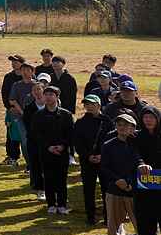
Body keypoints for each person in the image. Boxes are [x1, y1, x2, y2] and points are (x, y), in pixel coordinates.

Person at [100, 113, 140, 235]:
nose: (122, 127)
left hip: (135, 189)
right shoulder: (108, 145)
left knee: (140, 223)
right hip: (114, 189)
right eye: (119, 124)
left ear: (133, 127)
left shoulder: (138, 145)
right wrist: (118, 180)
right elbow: (104, 167)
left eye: (126, 124)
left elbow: (140, 165)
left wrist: (129, 182)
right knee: (113, 223)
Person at [29, 85, 73, 214]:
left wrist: (63, 146)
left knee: (61, 179)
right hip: (46, 152)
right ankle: (51, 204)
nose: (48, 97)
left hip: (62, 152)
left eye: (51, 95)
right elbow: (35, 134)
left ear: (57, 97)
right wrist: (48, 146)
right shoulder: (38, 115)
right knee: (48, 178)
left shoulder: (66, 114)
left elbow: (70, 133)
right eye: (46, 94)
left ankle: (62, 204)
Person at [71, 94, 112, 227]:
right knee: (88, 189)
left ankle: (108, 217)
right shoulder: (80, 123)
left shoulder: (108, 121)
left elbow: (111, 142)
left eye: (92, 104)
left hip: (105, 161)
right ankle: (90, 217)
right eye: (86, 104)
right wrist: (88, 156)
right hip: (86, 161)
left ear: (99, 105)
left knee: (107, 190)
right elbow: (77, 143)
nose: (89, 106)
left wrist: (102, 156)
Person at [132, 108, 161, 235]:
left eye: (152, 117)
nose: (148, 120)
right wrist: (141, 163)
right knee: (145, 228)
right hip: (144, 190)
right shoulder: (136, 137)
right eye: (145, 117)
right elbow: (134, 154)